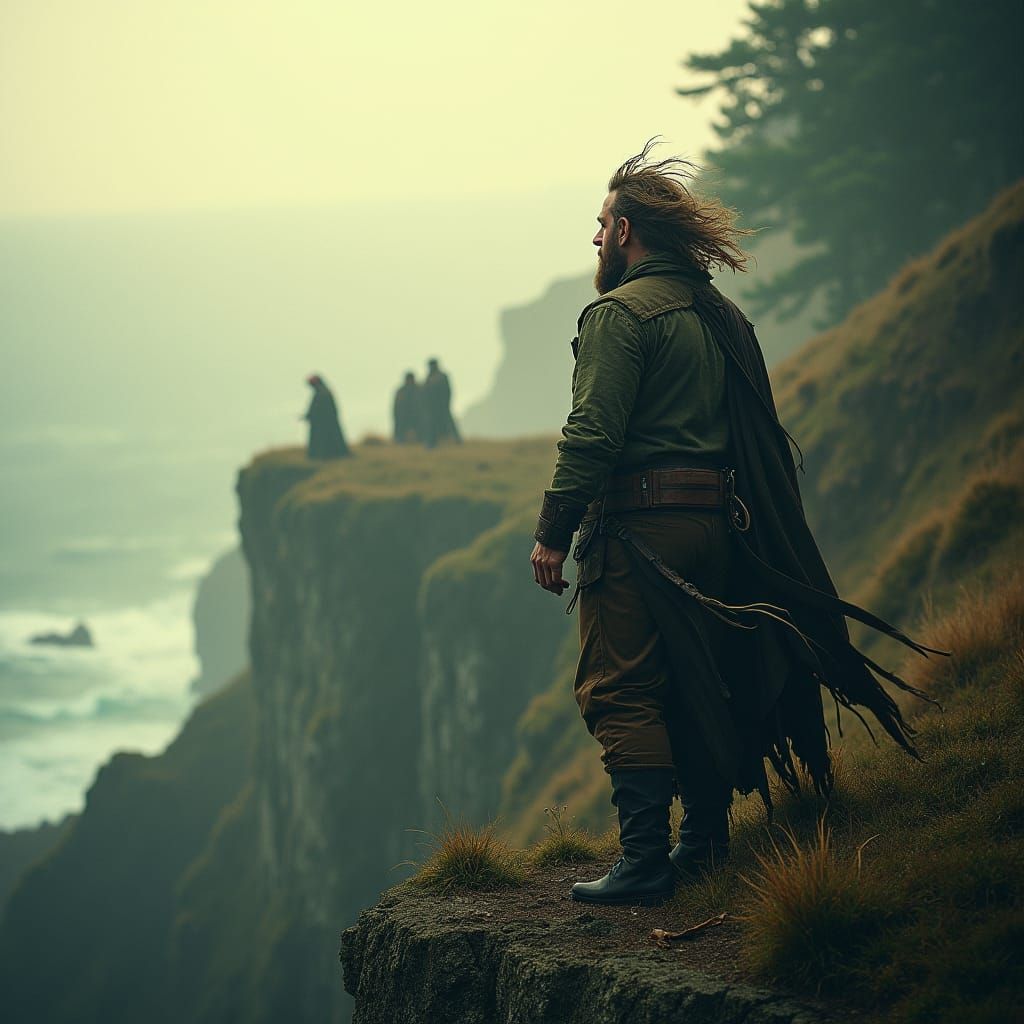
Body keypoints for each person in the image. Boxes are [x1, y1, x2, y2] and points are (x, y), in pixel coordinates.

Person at [529, 142, 934, 907]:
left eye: (601, 222)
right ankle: (703, 841)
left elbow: (592, 434)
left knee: (620, 689)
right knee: (697, 681)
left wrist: (554, 531)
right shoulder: (721, 314)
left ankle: (645, 861)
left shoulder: (619, 315)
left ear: (625, 233)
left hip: (642, 533)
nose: (594, 238)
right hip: (720, 531)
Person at [302, 373, 350, 459]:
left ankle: (324, 456)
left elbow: (318, 409)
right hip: (327, 422)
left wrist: (310, 415)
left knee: (323, 440)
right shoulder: (323, 392)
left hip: (323, 424)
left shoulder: (322, 393)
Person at [422, 358, 461, 448]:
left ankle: (455, 440)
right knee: (434, 425)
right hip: (434, 407)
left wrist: (445, 403)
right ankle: (432, 443)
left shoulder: (439, 377)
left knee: (445, 423)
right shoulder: (431, 377)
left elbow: (447, 392)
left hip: (440, 406)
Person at [393, 371, 423, 444]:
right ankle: (400, 441)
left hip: (416, 415)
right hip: (404, 415)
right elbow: (397, 405)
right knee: (400, 431)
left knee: (420, 429)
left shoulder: (419, 389)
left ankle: (419, 441)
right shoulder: (401, 391)